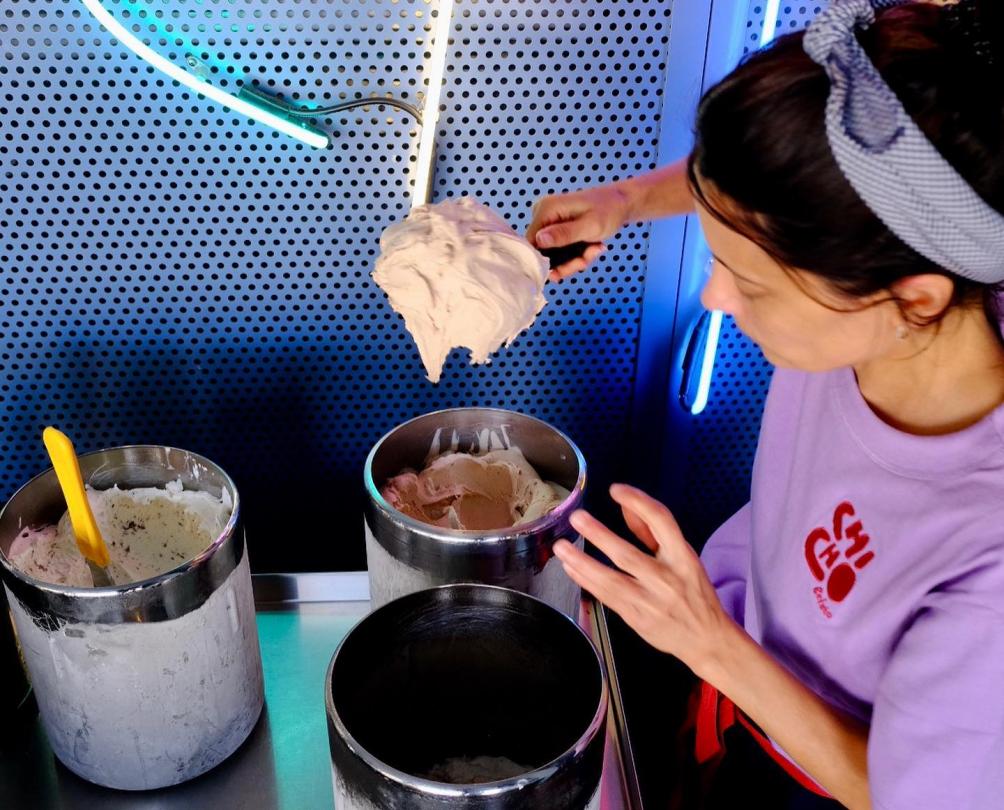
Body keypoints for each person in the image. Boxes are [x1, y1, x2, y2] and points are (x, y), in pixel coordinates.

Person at [527, 1, 1004, 808]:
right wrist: (625, 200)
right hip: (735, 674)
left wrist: (706, 642)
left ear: (911, 299)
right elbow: (770, 187)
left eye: (750, 281)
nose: (716, 296)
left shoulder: (987, 560)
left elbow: (894, 791)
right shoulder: (895, 260)